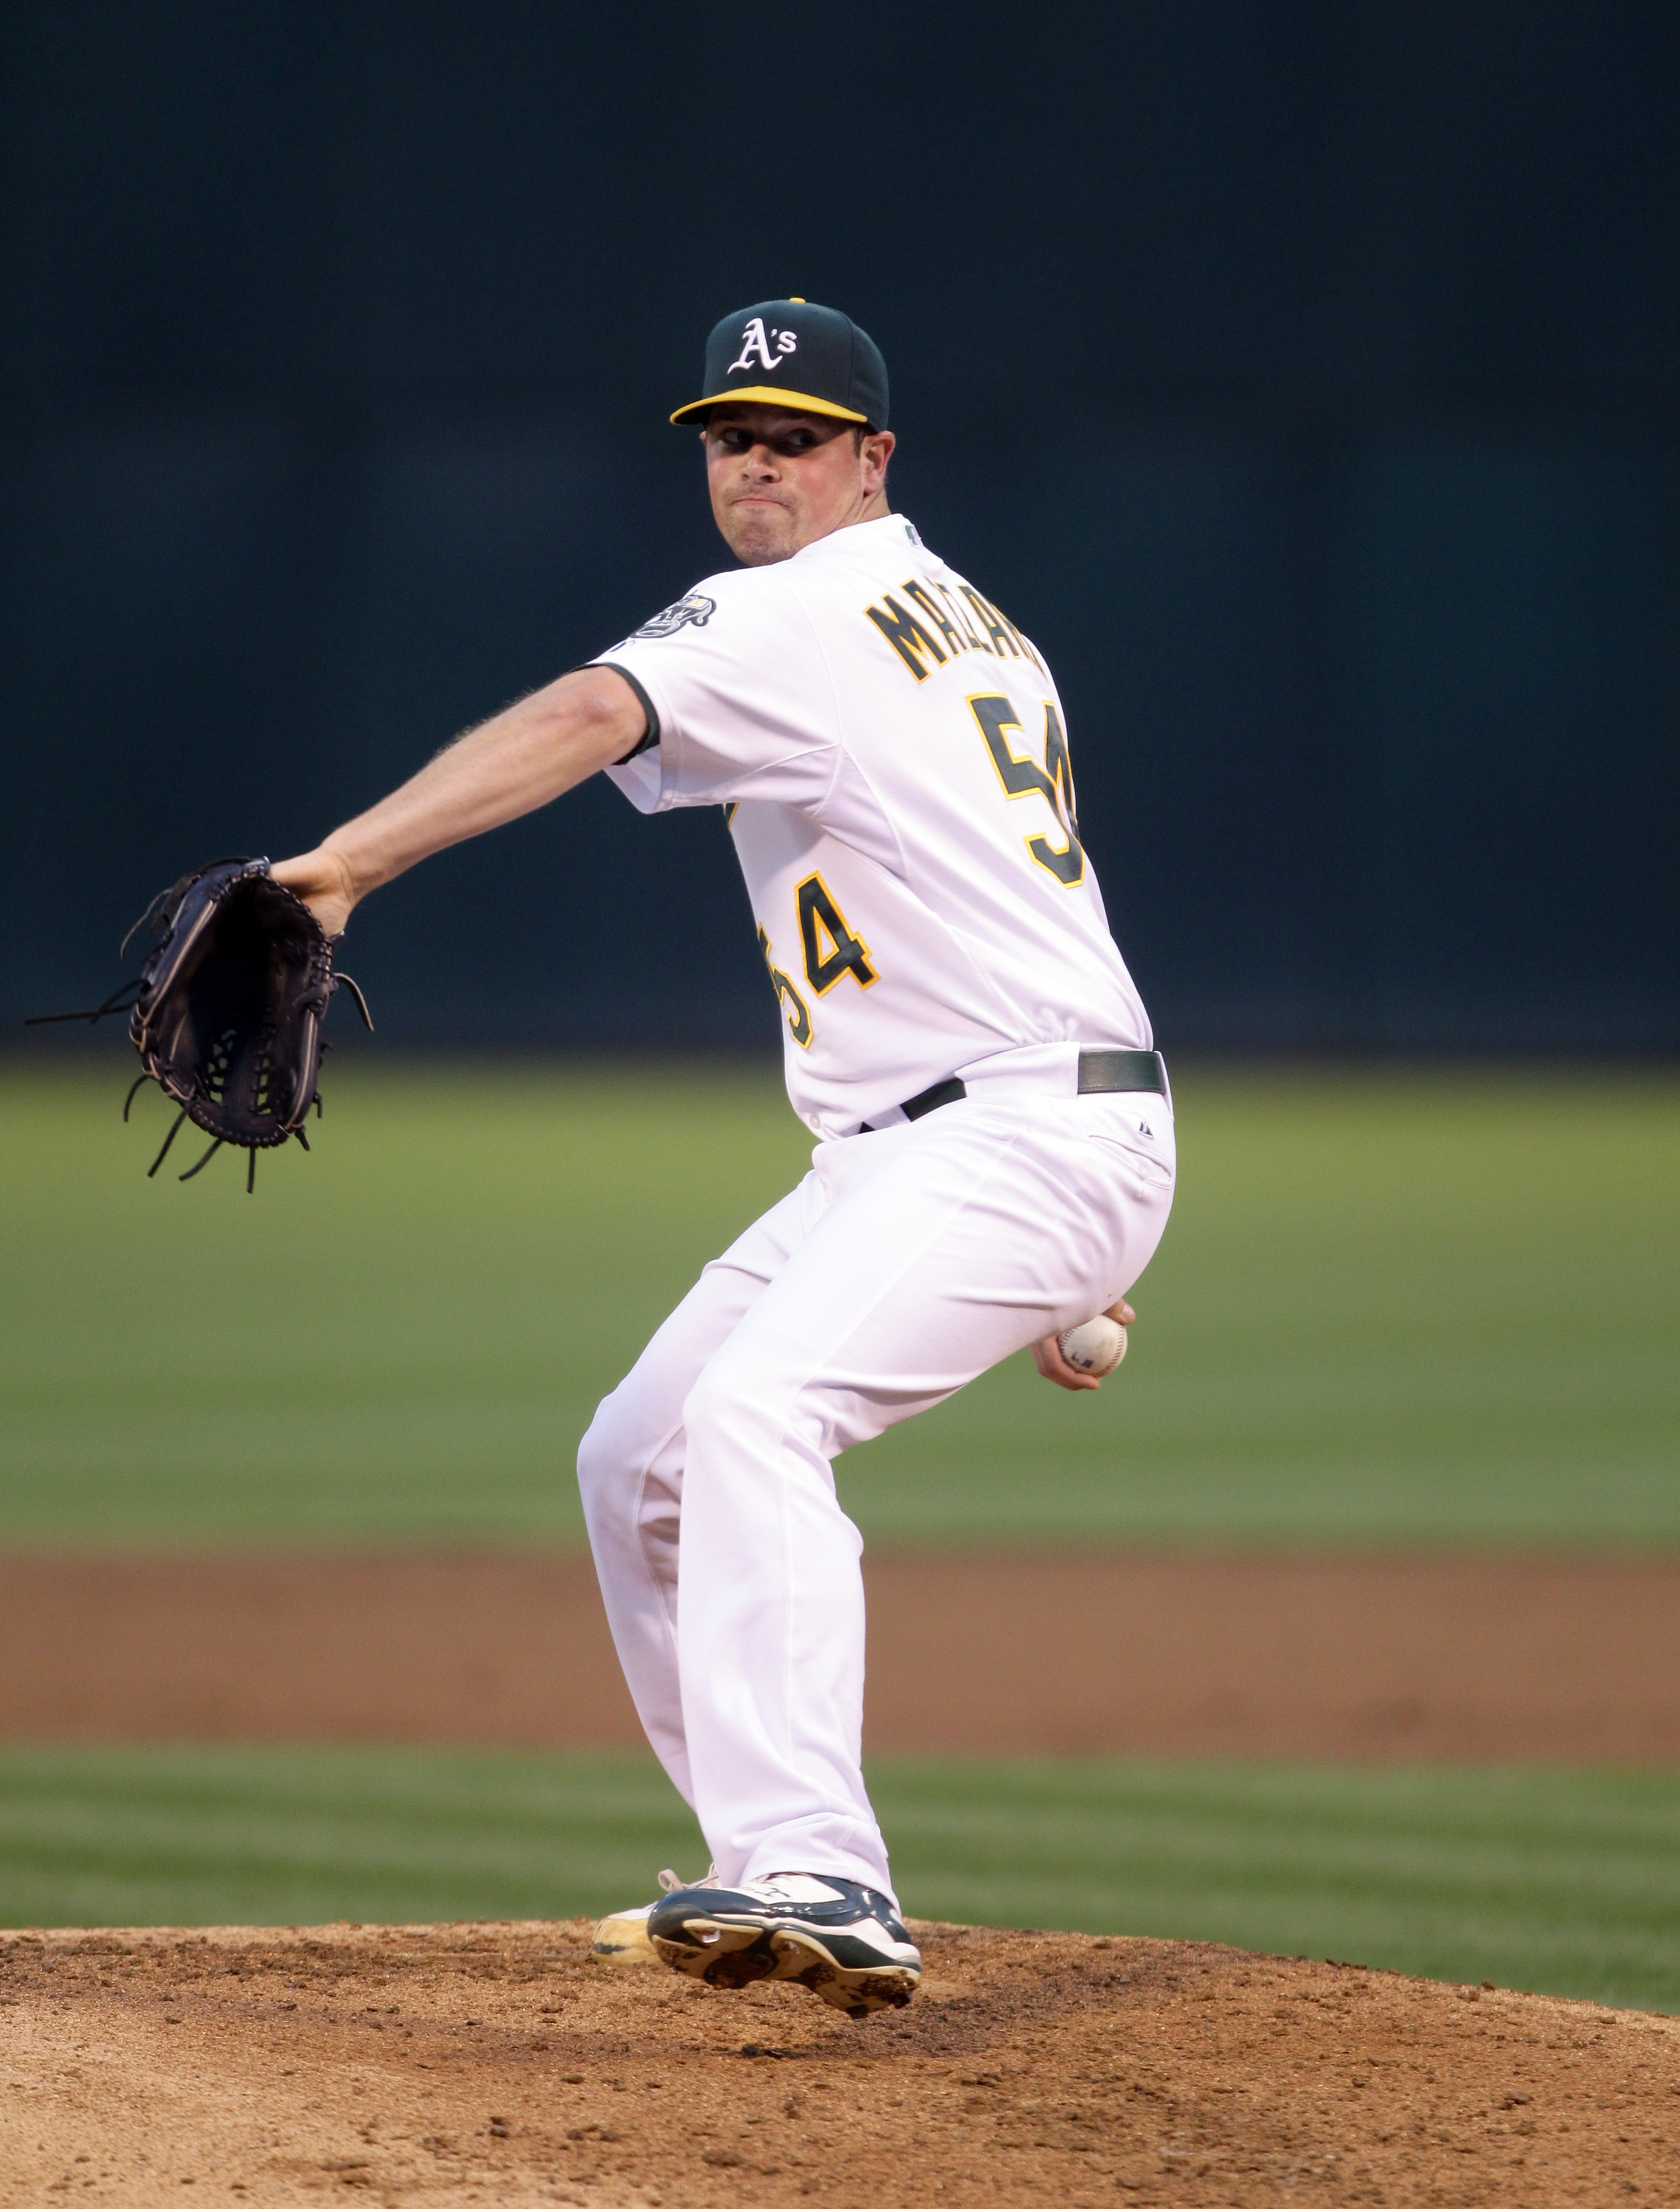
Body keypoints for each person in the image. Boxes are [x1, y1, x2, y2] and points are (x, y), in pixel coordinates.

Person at [274, 298, 1176, 2021]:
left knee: (762, 1410)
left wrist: (346, 864)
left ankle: (822, 1865)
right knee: (643, 1457)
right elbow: (1008, 894)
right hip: (964, 1131)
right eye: (730, 435)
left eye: (797, 435)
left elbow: (584, 712)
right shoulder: (973, 621)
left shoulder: (800, 610)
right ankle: (755, 1869)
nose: (756, 461)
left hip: (1012, 1123)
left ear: (872, 460)